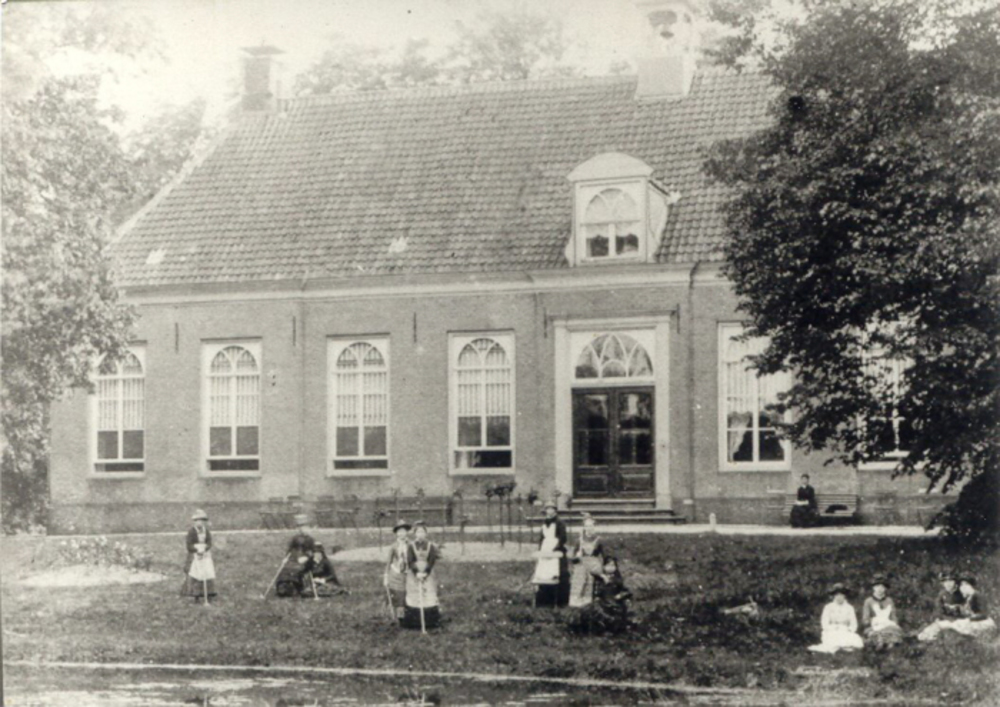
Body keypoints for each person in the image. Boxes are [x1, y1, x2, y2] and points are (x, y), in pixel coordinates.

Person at [920, 576, 996, 641]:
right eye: (961, 586)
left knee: (951, 625)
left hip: (982, 623)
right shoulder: (969, 598)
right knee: (945, 624)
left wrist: (968, 619)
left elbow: (984, 614)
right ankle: (926, 637)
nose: (962, 588)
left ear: (970, 586)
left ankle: (927, 636)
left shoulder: (977, 596)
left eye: (965, 585)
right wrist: (956, 609)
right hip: (971, 622)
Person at [402, 521, 442, 630]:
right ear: (415, 534)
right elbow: (410, 560)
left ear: (426, 534)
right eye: (418, 532)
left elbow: (431, 560)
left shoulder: (430, 545)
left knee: (428, 594)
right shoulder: (411, 546)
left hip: (427, 573)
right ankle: (414, 623)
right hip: (414, 574)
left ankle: (430, 623)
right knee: (414, 595)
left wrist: (425, 573)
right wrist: (417, 573)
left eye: (422, 532)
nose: (420, 534)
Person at [532, 501, 569, 608]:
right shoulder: (545, 523)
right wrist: (541, 549)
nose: (549, 511)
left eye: (551, 509)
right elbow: (542, 537)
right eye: (547, 509)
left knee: (556, 574)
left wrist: (555, 549)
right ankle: (543, 599)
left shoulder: (559, 523)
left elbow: (563, 538)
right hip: (545, 549)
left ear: (555, 510)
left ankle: (559, 600)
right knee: (543, 573)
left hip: (556, 550)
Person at [808, 583, 864, 653]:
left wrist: (848, 629)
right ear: (834, 596)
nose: (839, 597)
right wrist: (834, 628)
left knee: (855, 642)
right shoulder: (828, 607)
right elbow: (824, 624)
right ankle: (839, 648)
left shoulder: (849, 608)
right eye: (837, 595)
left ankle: (843, 648)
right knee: (834, 640)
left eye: (841, 595)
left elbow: (854, 624)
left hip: (845, 631)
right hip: (832, 631)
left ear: (844, 596)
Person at [918, 571, 966, 642]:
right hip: (946, 620)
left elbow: (966, 609)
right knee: (924, 634)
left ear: (955, 582)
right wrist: (941, 617)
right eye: (945, 582)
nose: (948, 584)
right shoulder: (942, 594)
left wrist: (958, 609)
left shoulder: (962, 593)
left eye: (951, 581)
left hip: (960, 621)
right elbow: (939, 610)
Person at [568, 514, 605, 608]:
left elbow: (604, 555)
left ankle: (587, 600)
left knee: (588, 575)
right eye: (587, 526)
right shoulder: (579, 540)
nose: (589, 528)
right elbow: (573, 558)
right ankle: (576, 600)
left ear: (594, 526)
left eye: (591, 526)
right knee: (580, 574)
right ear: (584, 527)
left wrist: (603, 567)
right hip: (581, 563)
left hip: (593, 564)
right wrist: (577, 556)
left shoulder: (598, 540)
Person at [276, 513, 317, 598]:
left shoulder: (310, 539)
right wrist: (286, 558)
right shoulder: (295, 538)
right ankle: (285, 586)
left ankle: (297, 586)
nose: (302, 530)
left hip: (306, 560)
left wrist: (306, 557)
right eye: (300, 527)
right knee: (286, 568)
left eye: (304, 527)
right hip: (294, 558)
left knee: (297, 568)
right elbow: (290, 549)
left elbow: (313, 551)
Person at [590, 556, 633, 633]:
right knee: (600, 613)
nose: (610, 567)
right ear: (604, 566)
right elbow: (596, 591)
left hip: (616, 602)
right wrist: (597, 598)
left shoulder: (618, 579)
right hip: (603, 602)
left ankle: (619, 627)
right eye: (608, 565)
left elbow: (626, 591)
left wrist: (620, 596)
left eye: (613, 565)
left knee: (619, 614)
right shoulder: (599, 579)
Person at [182, 509, 217, 602]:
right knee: (195, 574)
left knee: (208, 572)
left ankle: (209, 594)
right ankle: (195, 595)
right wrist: (196, 550)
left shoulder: (206, 531)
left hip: (205, 554)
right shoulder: (191, 532)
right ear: (194, 522)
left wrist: (205, 548)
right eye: (198, 521)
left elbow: (209, 542)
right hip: (195, 555)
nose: (200, 523)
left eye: (202, 521)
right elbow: (189, 545)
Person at [860, 574, 902, 648]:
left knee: (894, 631)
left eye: (882, 587)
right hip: (874, 626)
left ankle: (889, 643)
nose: (879, 589)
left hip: (888, 625)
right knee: (873, 633)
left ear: (885, 588)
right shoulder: (868, 601)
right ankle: (880, 642)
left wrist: (893, 622)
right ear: (873, 587)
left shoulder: (889, 601)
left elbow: (894, 617)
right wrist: (873, 621)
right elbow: (865, 619)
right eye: (877, 586)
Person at [384, 521, 411, 621]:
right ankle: (398, 617)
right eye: (399, 532)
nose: (401, 534)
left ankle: (408, 615)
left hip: (408, 573)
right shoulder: (394, 546)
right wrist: (386, 576)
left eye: (403, 531)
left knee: (408, 595)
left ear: (407, 532)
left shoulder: (411, 545)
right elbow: (388, 562)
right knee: (399, 595)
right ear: (396, 533)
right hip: (396, 574)